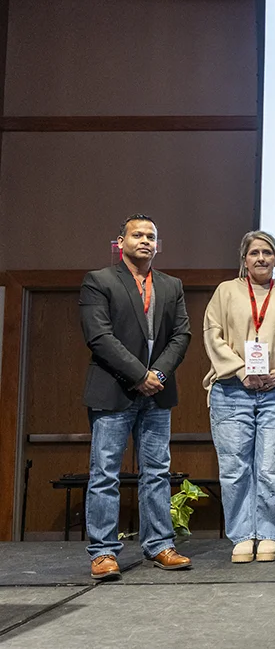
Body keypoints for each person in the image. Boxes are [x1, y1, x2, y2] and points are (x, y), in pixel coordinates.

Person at [79, 214, 192, 580]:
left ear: (158, 245)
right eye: (137, 235)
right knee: (105, 473)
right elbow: (99, 337)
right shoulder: (99, 281)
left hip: (157, 393)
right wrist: (138, 375)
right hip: (114, 390)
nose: (145, 240)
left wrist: (156, 374)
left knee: (157, 472)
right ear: (121, 241)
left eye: (151, 236)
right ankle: (103, 552)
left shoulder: (171, 285)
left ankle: (159, 544)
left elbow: (181, 336)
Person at [203, 230, 275, 563]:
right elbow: (212, 334)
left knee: (273, 468)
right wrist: (241, 370)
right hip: (232, 389)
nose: (261, 258)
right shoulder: (225, 291)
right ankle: (243, 535)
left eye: (268, 253)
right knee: (235, 467)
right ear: (243, 259)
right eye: (255, 253)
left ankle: (268, 533)